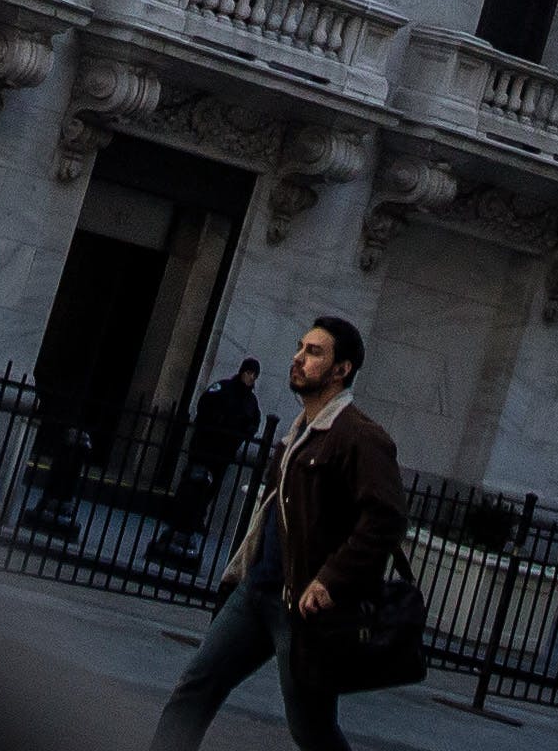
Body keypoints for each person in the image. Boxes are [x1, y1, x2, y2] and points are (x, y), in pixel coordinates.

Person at [149, 317, 402, 751]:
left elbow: (385, 519)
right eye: (300, 347)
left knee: (312, 729)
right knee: (193, 689)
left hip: (305, 612)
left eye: (314, 352)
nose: (299, 359)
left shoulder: (360, 436)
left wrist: (330, 580)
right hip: (258, 592)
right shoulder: (296, 434)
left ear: (342, 370)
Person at [174, 357, 265, 555]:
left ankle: (197, 518)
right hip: (205, 445)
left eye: (253, 375)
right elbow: (205, 404)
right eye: (248, 373)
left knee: (211, 486)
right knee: (194, 480)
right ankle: (181, 518)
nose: (250, 378)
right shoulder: (223, 388)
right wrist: (214, 424)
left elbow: (254, 422)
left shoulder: (250, 401)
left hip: (224, 452)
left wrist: (242, 434)